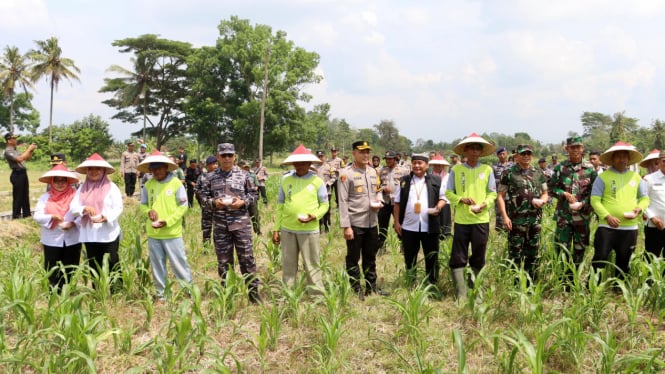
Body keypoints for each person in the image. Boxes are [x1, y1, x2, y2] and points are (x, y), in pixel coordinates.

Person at [199, 143, 261, 303]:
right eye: (223, 155)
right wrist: (214, 203)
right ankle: (227, 295)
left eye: (230, 155)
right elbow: (203, 199)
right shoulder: (210, 177)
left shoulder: (245, 175)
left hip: (241, 225)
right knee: (224, 262)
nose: (227, 158)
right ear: (218, 157)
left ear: (235, 157)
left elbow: (254, 195)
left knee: (247, 260)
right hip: (220, 227)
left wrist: (243, 202)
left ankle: (253, 294)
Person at [446, 133, 497, 300]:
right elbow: (448, 192)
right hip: (462, 219)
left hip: (481, 219)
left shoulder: (487, 170)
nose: (475, 152)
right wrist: (461, 199)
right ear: (465, 151)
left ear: (481, 152)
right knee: (458, 256)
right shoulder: (456, 170)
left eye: (478, 149)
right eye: (472, 148)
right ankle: (461, 294)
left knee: (478, 255)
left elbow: (492, 193)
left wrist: (484, 205)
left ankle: (474, 289)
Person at [272, 145, 329, 294]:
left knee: (312, 264)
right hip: (288, 228)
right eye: (297, 163)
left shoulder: (317, 182)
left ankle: (317, 295)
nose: (299, 166)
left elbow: (325, 205)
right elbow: (280, 205)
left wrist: (314, 216)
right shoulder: (285, 180)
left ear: (310, 164)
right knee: (288, 264)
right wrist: (276, 229)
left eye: (303, 163)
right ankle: (289, 294)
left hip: (309, 230)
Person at [590, 142, 649, 282]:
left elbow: (645, 198)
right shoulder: (603, 177)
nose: (622, 159)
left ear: (628, 159)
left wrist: (639, 208)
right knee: (601, 256)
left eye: (624, 157)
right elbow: (595, 200)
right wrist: (607, 216)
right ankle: (593, 286)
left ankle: (619, 288)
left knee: (624, 259)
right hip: (607, 227)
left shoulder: (636, 177)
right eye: (618, 157)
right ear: (612, 159)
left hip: (629, 227)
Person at [138, 151, 193, 301]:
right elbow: (143, 205)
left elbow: (183, 206)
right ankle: (162, 296)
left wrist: (168, 221)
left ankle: (188, 293)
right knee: (157, 266)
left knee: (179, 264)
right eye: (153, 169)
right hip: (153, 234)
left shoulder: (175, 183)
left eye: (159, 168)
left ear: (166, 167)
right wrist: (149, 211)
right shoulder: (148, 184)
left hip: (172, 233)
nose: (156, 171)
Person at [338, 140, 386, 298]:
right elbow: (343, 201)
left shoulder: (373, 172)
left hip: (372, 222)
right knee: (353, 257)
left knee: (370, 256)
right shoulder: (346, 174)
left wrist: (379, 201)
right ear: (354, 153)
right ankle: (356, 288)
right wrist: (346, 226)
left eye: (368, 152)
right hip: (355, 223)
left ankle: (371, 287)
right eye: (362, 152)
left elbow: (378, 190)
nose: (366, 155)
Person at [70, 153, 124, 292]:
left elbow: (118, 207)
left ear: (103, 171)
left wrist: (106, 217)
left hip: (107, 233)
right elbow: (73, 207)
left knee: (112, 261)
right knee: (94, 263)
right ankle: (97, 291)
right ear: (87, 171)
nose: (94, 172)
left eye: (97, 169)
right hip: (89, 232)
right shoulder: (82, 188)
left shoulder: (112, 187)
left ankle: (116, 291)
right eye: (91, 169)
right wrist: (84, 208)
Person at [547, 136, 597, 286]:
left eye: (578, 147)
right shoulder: (560, 168)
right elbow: (551, 188)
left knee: (579, 249)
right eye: (572, 147)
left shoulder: (590, 169)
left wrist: (583, 203)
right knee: (562, 248)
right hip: (564, 216)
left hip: (582, 217)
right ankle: (563, 281)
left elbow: (595, 193)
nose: (575, 150)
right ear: (567, 149)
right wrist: (563, 193)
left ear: (582, 149)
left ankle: (574, 278)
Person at [393, 153, 447, 291]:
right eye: (415, 163)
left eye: (420, 163)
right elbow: (397, 203)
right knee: (410, 256)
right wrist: (397, 222)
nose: (417, 166)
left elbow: (443, 198)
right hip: (408, 226)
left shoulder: (436, 180)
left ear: (427, 165)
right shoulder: (404, 181)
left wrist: (438, 207)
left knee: (432, 257)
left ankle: (432, 284)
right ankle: (411, 282)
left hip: (429, 226)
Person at [497, 144, 549, 281]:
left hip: (535, 220)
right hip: (515, 220)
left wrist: (542, 201)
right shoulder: (508, 173)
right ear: (517, 156)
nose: (526, 156)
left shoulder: (539, 173)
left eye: (528, 154)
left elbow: (545, 194)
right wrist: (504, 216)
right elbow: (500, 196)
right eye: (523, 154)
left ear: (532, 155)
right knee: (515, 253)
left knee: (533, 253)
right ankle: (515, 284)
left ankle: (532, 282)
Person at [34, 164, 81, 291]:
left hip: (73, 238)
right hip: (52, 239)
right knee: (52, 266)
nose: (60, 184)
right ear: (51, 182)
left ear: (68, 182)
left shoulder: (76, 196)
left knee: (70, 266)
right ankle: (53, 293)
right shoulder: (45, 197)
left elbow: (82, 214)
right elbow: (37, 215)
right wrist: (51, 217)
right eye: (57, 180)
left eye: (63, 180)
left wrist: (73, 223)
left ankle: (67, 291)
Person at [377, 150, 407, 252]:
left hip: (397, 203)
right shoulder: (382, 170)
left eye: (390, 159)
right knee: (382, 225)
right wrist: (382, 188)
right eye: (386, 159)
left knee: (399, 224)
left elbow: (406, 186)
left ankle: (403, 246)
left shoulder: (403, 170)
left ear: (395, 159)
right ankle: (381, 247)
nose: (388, 161)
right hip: (385, 202)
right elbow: (377, 185)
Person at [4, 132, 37, 219]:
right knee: (18, 197)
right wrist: (28, 149)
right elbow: (20, 159)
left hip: (22, 173)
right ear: (9, 140)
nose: (16, 140)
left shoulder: (16, 150)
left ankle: (27, 215)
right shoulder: (8, 151)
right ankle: (16, 216)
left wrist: (31, 150)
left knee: (25, 195)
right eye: (14, 138)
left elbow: (27, 158)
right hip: (17, 174)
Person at [644, 150, 665, 260]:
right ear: (659, 162)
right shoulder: (649, 179)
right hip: (654, 226)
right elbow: (642, 202)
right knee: (651, 258)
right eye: (664, 161)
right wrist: (653, 218)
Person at [195, 155, 219, 247]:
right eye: (213, 164)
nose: (215, 166)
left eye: (216, 164)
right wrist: (204, 199)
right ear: (208, 165)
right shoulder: (202, 177)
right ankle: (206, 248)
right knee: (206, 229)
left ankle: (218, 249)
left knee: (218, 229)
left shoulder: (220, 176)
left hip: (217, 208)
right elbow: (196, 189)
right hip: (206, 208)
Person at [429, 154, 452, 240]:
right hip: (433, 201)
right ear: (433, 165)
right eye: (436, 165)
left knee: (445, 221)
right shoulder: (429, 176)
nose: (438, 166)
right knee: (434, 220)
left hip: (445, 201)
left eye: (440, 165)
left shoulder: (448, 176)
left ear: (443, 166)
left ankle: (445, 237)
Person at [314, 150, 337, 233]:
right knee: (317, 209)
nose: (320, 158)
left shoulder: (329, 167)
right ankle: (319, 226)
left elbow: (334, 177)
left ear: (324, 157)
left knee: (327, 209)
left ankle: (327, 226)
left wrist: (328, 183)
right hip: (316, 192)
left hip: (327, 192)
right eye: (318, 157)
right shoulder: (313, 167)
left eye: (321, 156)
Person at [492, 147, 512, 232]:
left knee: (510, 212)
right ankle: (500, 232)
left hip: (510, 194)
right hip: (499, 194)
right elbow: (492, 181)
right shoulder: (494, 167)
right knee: (499, 213)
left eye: (503, 153)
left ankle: (510, 229)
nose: (502, 155)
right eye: (500, 154)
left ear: (506, 154)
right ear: (497, 155)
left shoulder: (512, 166)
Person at [241, 161, 262, 235]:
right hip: (242, 200)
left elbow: (256, 185)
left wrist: (254, 192)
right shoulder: (239, 175)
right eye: (245, 167)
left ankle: (258, 232)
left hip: (252, 197)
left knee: (255, 216)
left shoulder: (252, 175)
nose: (246, 168)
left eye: (247, 167)